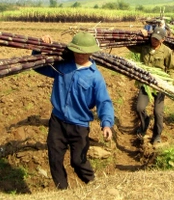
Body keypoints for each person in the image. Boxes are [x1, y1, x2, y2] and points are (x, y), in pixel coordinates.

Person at [33, 32, 115, 190]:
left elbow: (104, 101)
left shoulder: (95, 76)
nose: (80, 55)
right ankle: (62, 191)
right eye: (77, 51)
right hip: (57, 121)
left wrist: (106, 124)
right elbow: (39, 67)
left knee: (78, 161)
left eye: (84, 52)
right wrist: (39, 47)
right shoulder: (63, 65)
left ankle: (94, 185)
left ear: (90, 52)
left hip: (79, 125)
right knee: (55, 159)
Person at [128, 27, 174, 145]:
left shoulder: (167, 51)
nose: (154, 40)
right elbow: (129, 45)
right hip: (146, 84)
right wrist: (137, 34)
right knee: (139, 108)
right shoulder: (144, 47)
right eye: (153, 38)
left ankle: (157, 135)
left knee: (158, 112)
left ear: (163, 40)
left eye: (157, 39)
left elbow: (172, 70)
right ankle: (144, 123)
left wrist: (169, 82)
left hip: (160, 85)